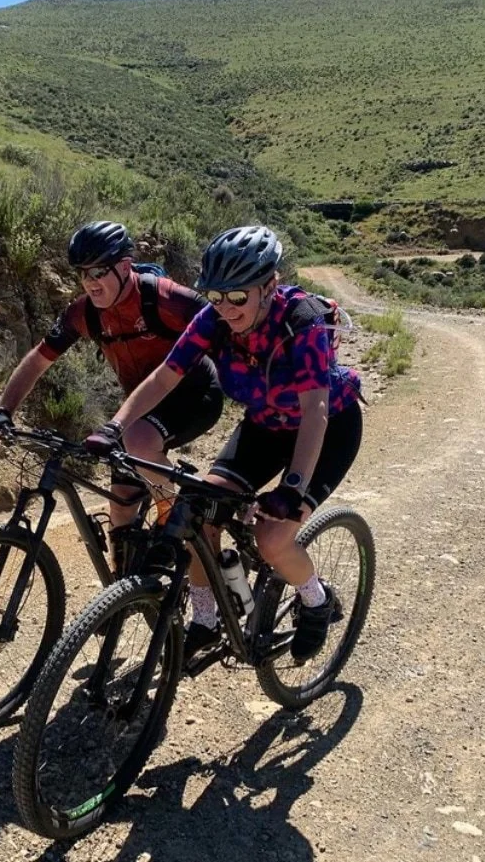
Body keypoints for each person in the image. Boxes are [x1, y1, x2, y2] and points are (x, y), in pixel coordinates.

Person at [85, 225, 362, 663]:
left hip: (328, 430)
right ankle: (206, 618)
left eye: (238, 297)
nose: (226, 308)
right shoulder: (213, 318)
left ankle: (316, 598)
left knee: (272, 539)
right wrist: (116, 426)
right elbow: (164, 377)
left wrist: (292, 488)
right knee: (197, 513)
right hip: (266, 426)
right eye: (216, 297)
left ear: (269, 286)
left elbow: (315, 413)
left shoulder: (301, 320)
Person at [0, 220, 224, 561]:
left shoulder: (166, 298)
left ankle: (172, 526)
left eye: (99, 272)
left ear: (125, 267)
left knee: (138, 440)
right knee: (121, 507)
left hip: (196, 395)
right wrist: (4, 410)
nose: (90, 282)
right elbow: (38, 360)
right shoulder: (84, 313)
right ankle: (126, 595)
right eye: (83, 274)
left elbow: (228, 329)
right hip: (139, 408)